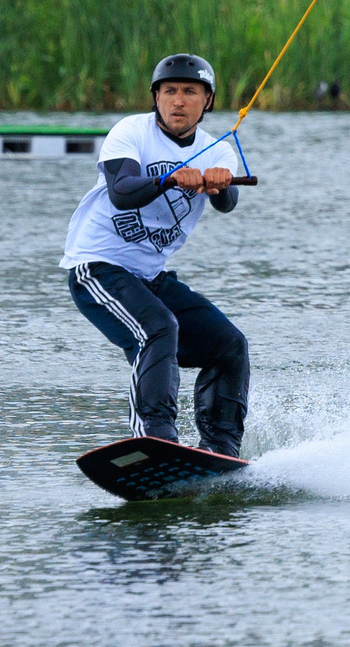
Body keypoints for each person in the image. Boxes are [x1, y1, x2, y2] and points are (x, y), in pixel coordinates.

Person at [60, 53, 251, 457]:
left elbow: (227, 203)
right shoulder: (131, 132)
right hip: (97, 268)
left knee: (229, 345)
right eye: (169, 92)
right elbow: (123, 191)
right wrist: (167, 178)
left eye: (189, 91)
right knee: (158, 328)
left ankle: (222, 449)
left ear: (207, 100)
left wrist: (221, 185)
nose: (178, 101)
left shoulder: (216, 150)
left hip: (150, 276)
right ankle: (155, 440)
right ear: (156, 98)